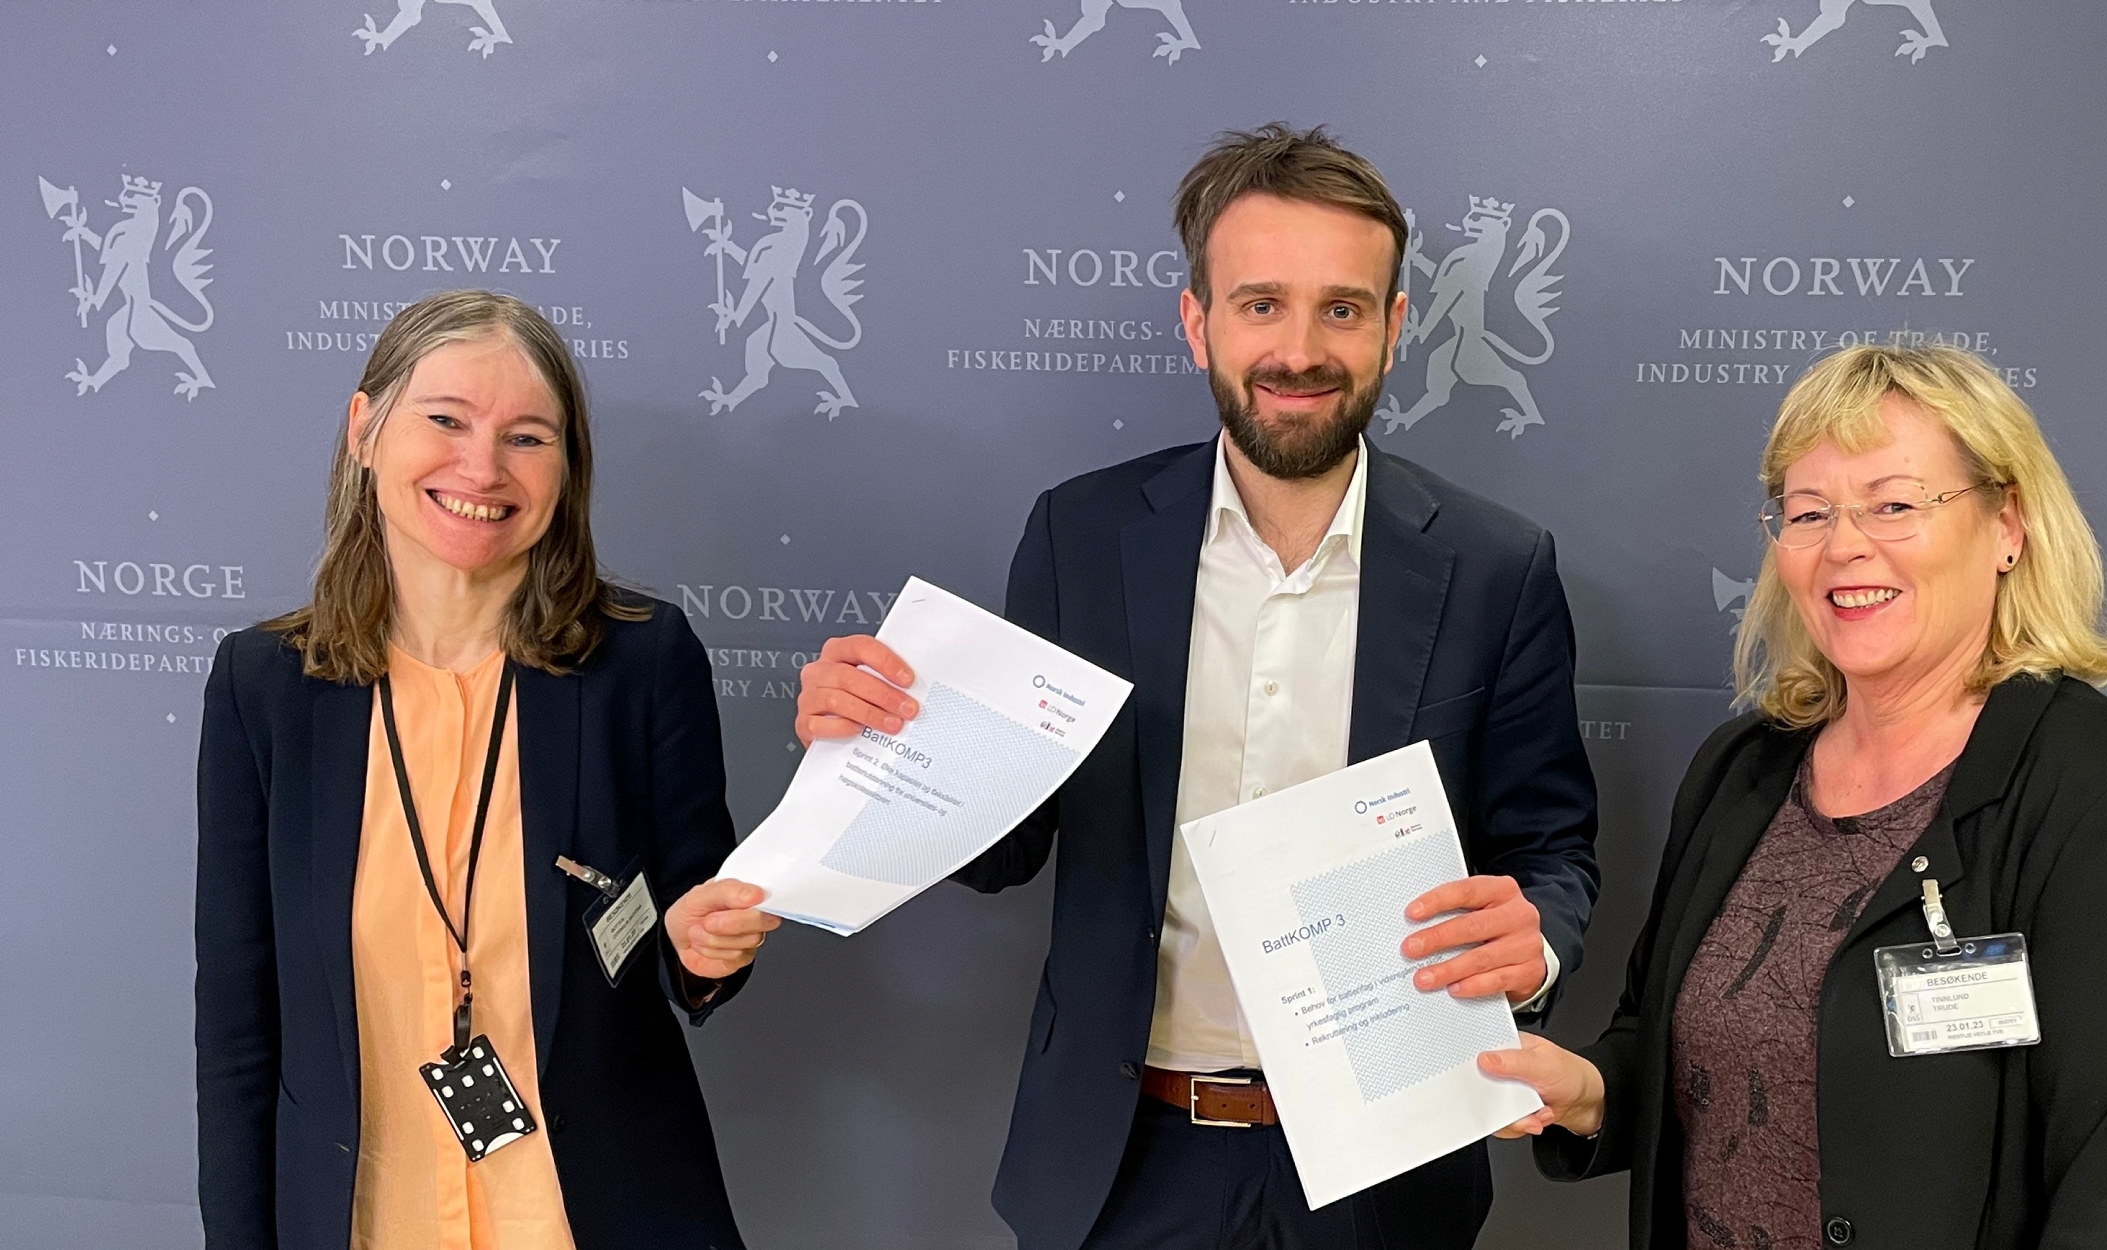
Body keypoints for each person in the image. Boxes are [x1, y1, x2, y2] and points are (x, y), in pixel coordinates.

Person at [794, 124, 1601, 1250]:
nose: (1299, 350)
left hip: (1386, 1164)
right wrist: (876, 746)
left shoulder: (1496, 566)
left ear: (1394, 326)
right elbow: (1004, 844)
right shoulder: (1081, 536)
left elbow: (1552, 846)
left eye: (1341, 308)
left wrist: (1536, 942)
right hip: (1121, 1159)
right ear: (1197, 321)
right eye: (1261, 304)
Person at [1481, 343, 2107, 1248]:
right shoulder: (1743, 772)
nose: (1845, 546)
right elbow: (1678, 1046)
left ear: (2008, 525)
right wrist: (1592, 1092)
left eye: (1894, 504)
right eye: (1810, 512)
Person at [195, 290, 780, 1249]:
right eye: (446, 420)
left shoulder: (643, 662)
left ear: (566, 467)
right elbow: (236, 1022)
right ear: (364, 430)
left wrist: (702, 949)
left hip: (598, 1216)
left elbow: (682, 928)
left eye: (527, 437)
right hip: (362, 1222)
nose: (482, 468)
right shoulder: (264, 686)